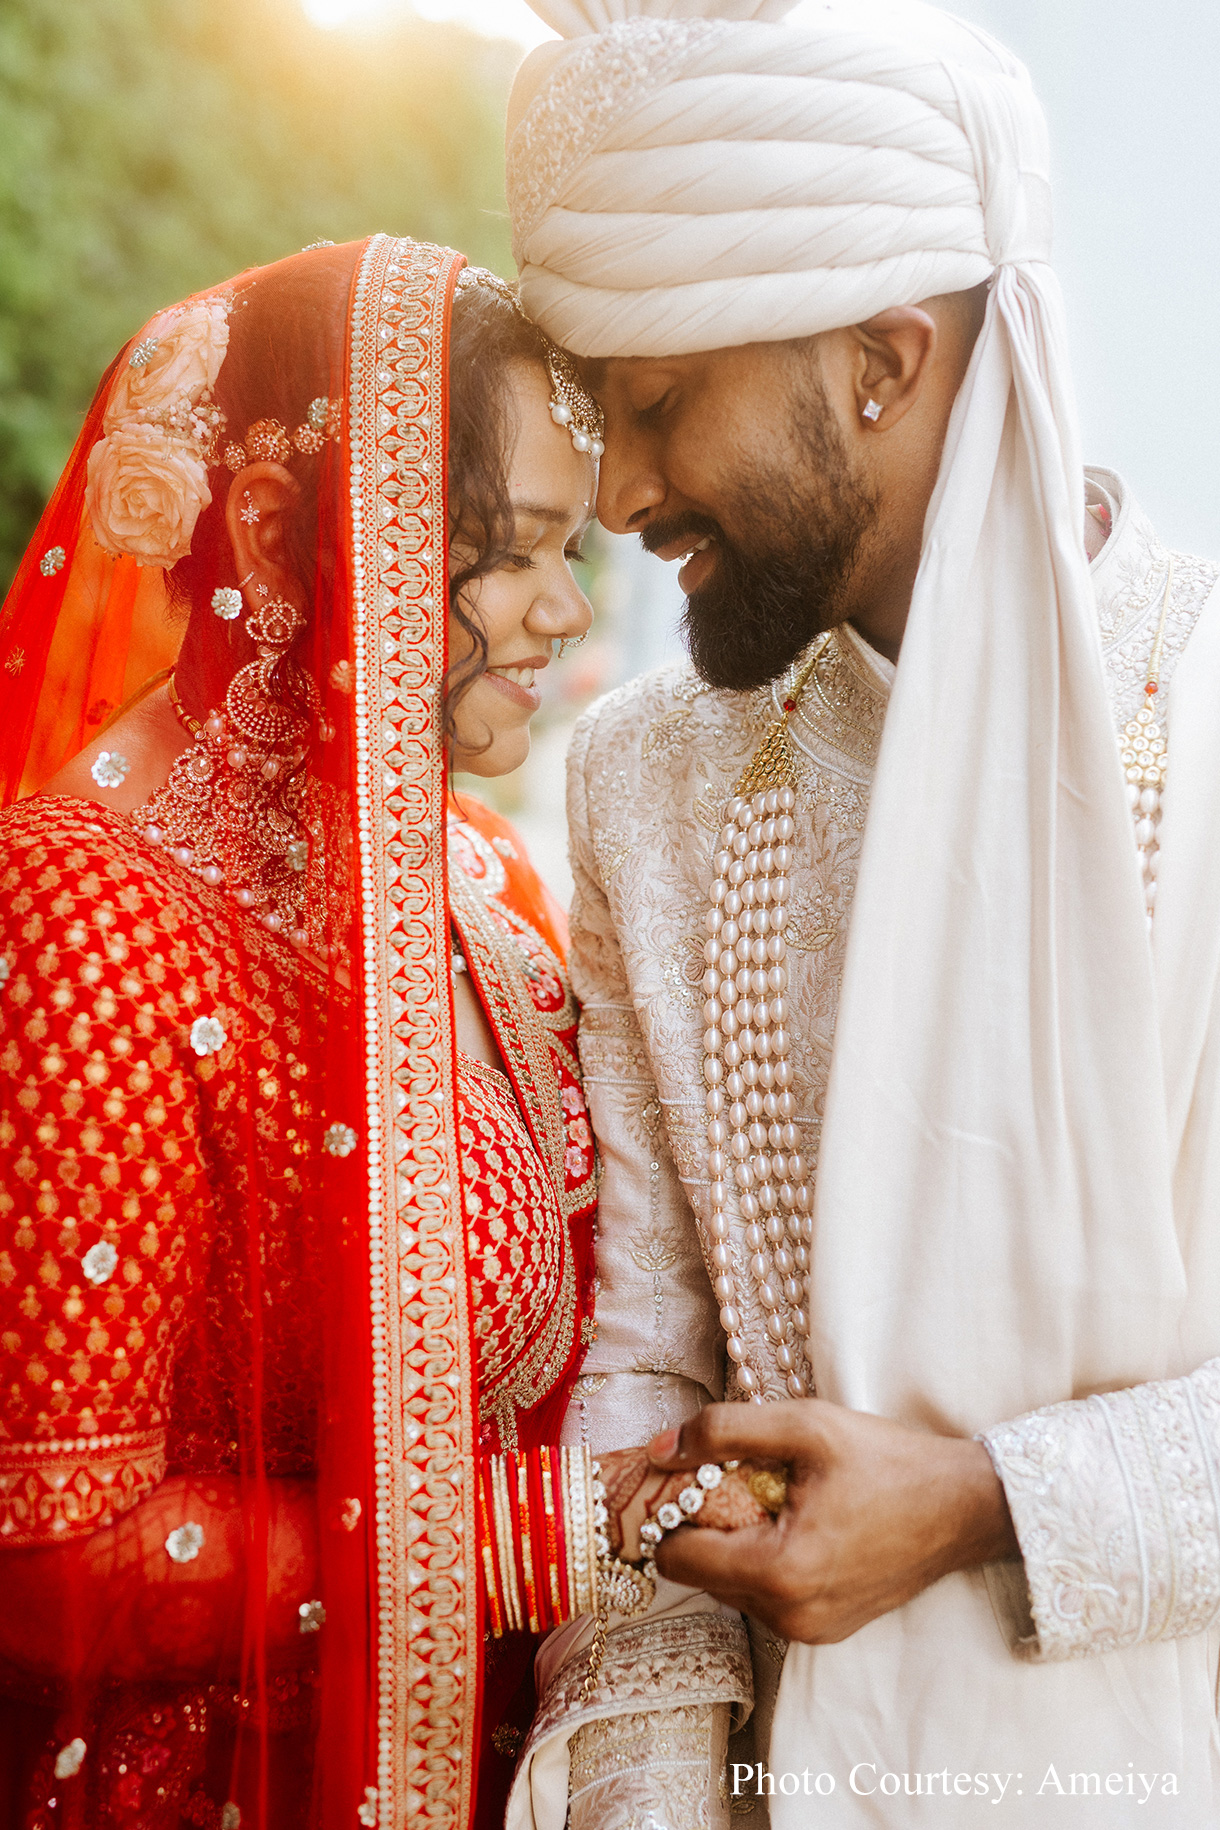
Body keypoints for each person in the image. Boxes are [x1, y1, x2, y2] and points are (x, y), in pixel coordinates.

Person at [501, 2, 1220, 1825]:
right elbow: (645, 1363)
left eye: (657, 403)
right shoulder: (648, 783)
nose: (618, 495)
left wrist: (979, 1505)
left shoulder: (1202, 714)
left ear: (886, 363)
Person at [0, 238, 766, 1830]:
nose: (566, 609)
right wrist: (533, 1537)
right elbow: (46, 1561)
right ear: (287, 537)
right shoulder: (88, 915)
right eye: (517, 553)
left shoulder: (474, 877)